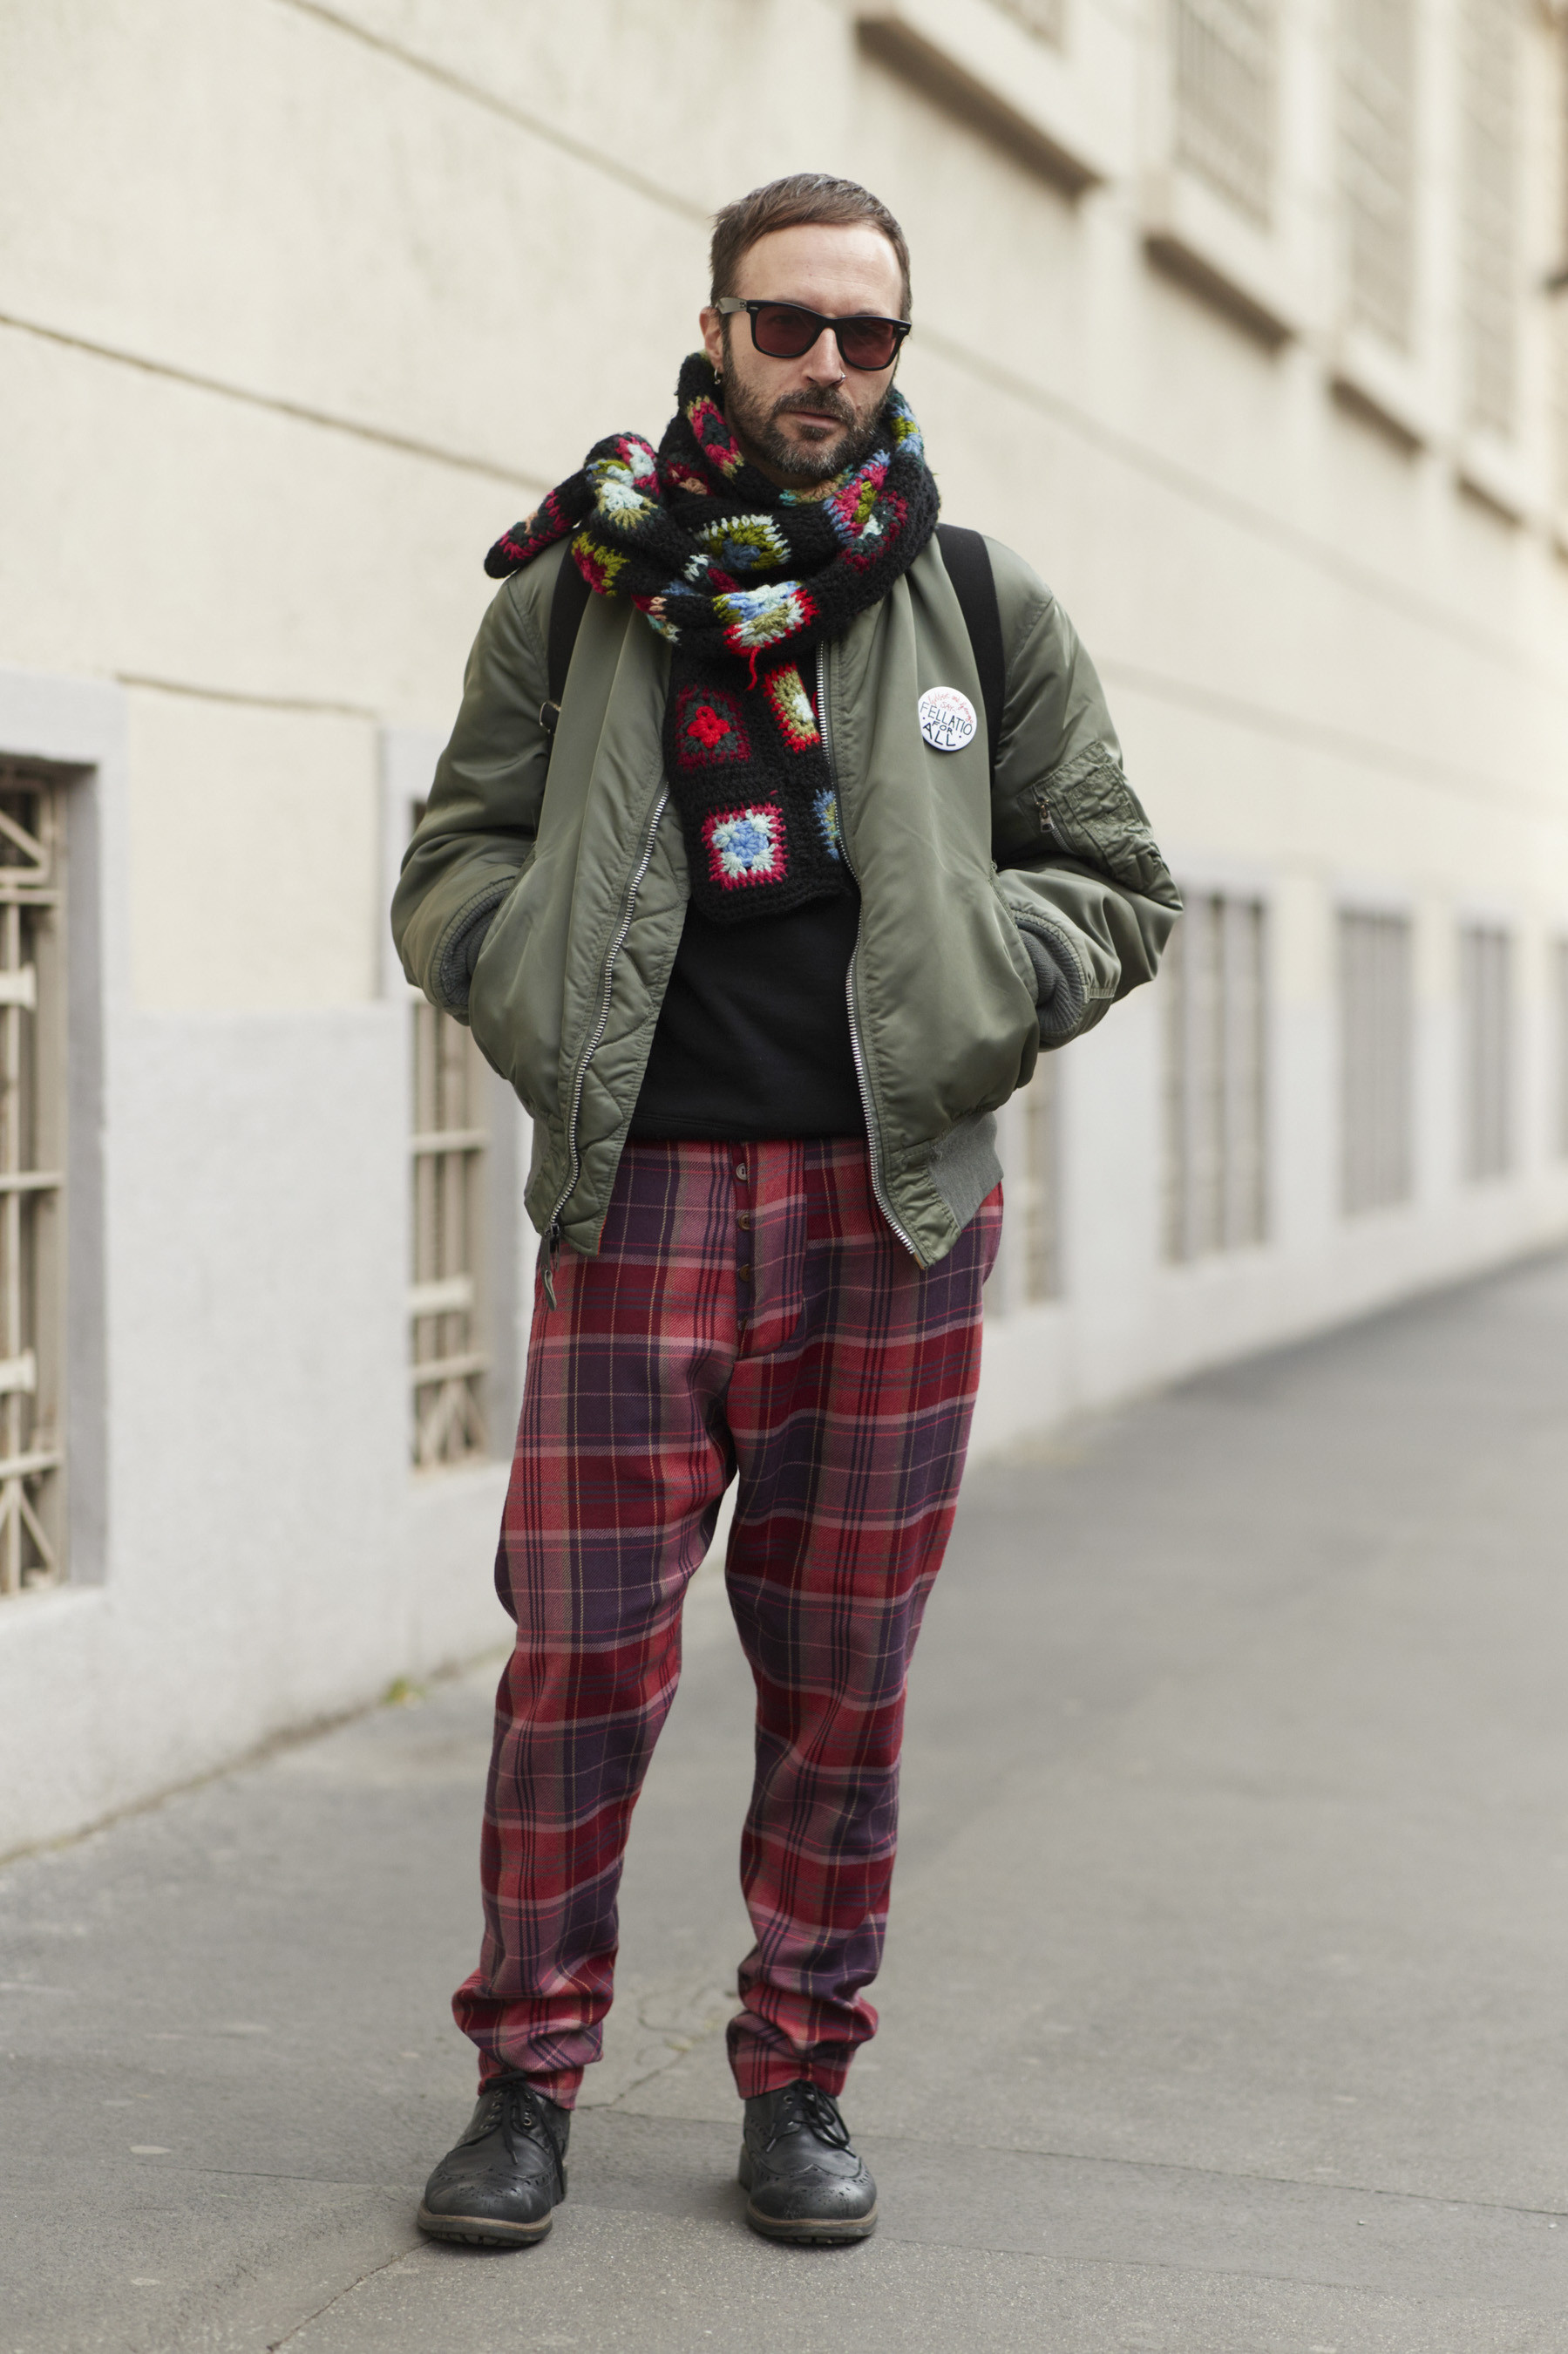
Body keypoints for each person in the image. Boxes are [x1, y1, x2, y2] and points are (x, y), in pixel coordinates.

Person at [392, 172, 1178, 2249]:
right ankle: (524, 2082)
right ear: (717, 332)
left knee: (842, 1675)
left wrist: (985, 989)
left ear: (897, 354)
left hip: (887, 1214)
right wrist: (529, 987)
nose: (829, 363)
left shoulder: (979, 601)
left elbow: (1116, 873)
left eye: (868, 333)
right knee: (581, 1660)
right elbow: (456, 853)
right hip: (637, 1194)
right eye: (790, 324)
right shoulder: (577, 588)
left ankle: (801, 2078)